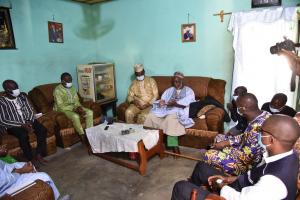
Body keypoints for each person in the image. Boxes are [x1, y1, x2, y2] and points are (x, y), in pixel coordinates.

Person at [171, 115, 300, 200]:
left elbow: (238, 198)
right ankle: (196, 193)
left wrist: (221, 185)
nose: (258, 134)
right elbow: (253, 175)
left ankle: (193, 193)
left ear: (270, 139)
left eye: (262, 132)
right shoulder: (289, 154)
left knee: (180, 187)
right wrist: (228, 179)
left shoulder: (273, 183)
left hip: (238, 196)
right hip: (245, 188)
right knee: (202, 167)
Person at [204, 93, 270, 175]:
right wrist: (227, 142)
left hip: (248, 164)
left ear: (244, 108)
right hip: (244, 148)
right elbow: (246, 136)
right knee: (219, 137)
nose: (236, 108)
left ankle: (224, 172)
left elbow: (246, 159)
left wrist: (226, 149)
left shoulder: (257, 127)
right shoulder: (264, 114)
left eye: (237, 106)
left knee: (209, 154)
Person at [144, 71, 195, 153]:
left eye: (177, 81)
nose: (175, 84)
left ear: (182, 81)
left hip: (179, 110)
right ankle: (152, 145)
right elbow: (163, 100)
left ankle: (174, 147)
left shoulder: (189, 91)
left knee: (170, 118)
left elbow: (190, 105)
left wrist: (176, 104)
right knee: (151, 115)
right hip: (166, 110)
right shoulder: (169, 90)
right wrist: (161, 103)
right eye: (174, 82)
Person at [0, 80, 48, 165]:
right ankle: (30, 158)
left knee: (42, 129)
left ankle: (38, 154)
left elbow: (30, 110)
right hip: (14, 125)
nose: (17, 90)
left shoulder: (22, 96)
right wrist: (22, 125)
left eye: (17, 87)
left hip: (28, 120)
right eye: (14, 88)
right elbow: (3, 119)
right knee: (23, 135)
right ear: (7, 90)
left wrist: (28, 121)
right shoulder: (2, 101)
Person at [0, 144, 70, 200]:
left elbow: (4, 167)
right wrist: (21, 171)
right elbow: (4, 181)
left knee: (28, 166)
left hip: (7, 175)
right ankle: (37, 191)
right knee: (43, 177)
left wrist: (19, 168)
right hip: (4, 190)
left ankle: (43, 194)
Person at [53, 72, 93, 147]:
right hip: (62, 109)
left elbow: (76, 101)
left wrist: (79, 107)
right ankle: (82, 136)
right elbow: (60, 105)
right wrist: (75, 109)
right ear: (62, 81)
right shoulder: (57, 90)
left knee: (89, 112)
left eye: (71, 80)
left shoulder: (72, 88)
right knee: (75, 116)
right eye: (68, 81)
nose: (70, 82)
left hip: (74, 107)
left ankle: (89, 134)